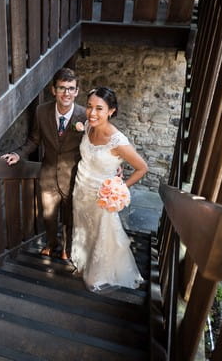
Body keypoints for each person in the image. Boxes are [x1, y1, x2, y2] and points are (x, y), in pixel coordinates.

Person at [1, 68, 87, 260]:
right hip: (47, 174)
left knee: (69, 216)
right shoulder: (41, 111)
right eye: (62, 88)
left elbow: (95, 144)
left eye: (71, 88)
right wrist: (17, 154)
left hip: (74, 176)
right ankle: (51, 242)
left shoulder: (85, 115)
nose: (67, 93)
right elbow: (34, 140)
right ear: (53, 90)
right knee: (48, 215)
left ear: (77, 91)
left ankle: (66, 247)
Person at [71, 87, 148, 293]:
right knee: (84, 229)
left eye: (99, 108)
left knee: (103, 234)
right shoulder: (87, 126)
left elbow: (142, 168)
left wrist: (119, 187)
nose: (92, 113)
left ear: (111, 111)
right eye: (89, 107)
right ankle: (83, 261)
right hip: (81, 189)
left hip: (100, 197)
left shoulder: (118, 141)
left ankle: (98, 274)